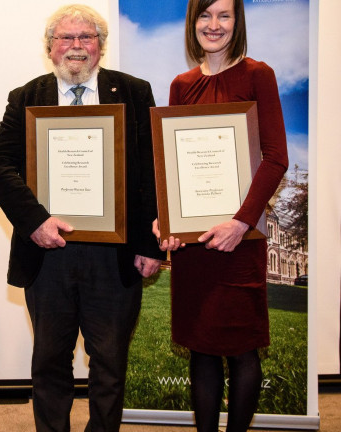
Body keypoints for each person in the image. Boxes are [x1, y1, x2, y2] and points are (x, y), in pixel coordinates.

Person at [0, 5, 164, 432]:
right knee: (49, 362)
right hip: (49, 253)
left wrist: (150, 243)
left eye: (87, 37)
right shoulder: (26, 96)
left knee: (110, 364)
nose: (77, 46)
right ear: (50, 48)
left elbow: (153, 169)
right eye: (66, 38)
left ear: (101, 46)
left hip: (116, 258)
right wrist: (35, 221)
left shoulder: (135, 92)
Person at [153, 0, 289, 431]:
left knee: (243, 350)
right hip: (196, 246)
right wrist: (168, 220)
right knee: (201, 347)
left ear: (238, 21)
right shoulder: (181, 84)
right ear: (193, 23)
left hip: (239, 241)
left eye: (224, 15)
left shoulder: (257, 75)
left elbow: (275, 159)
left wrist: (241, 222)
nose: (214, 25)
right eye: (205, 15)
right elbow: (173, 164)